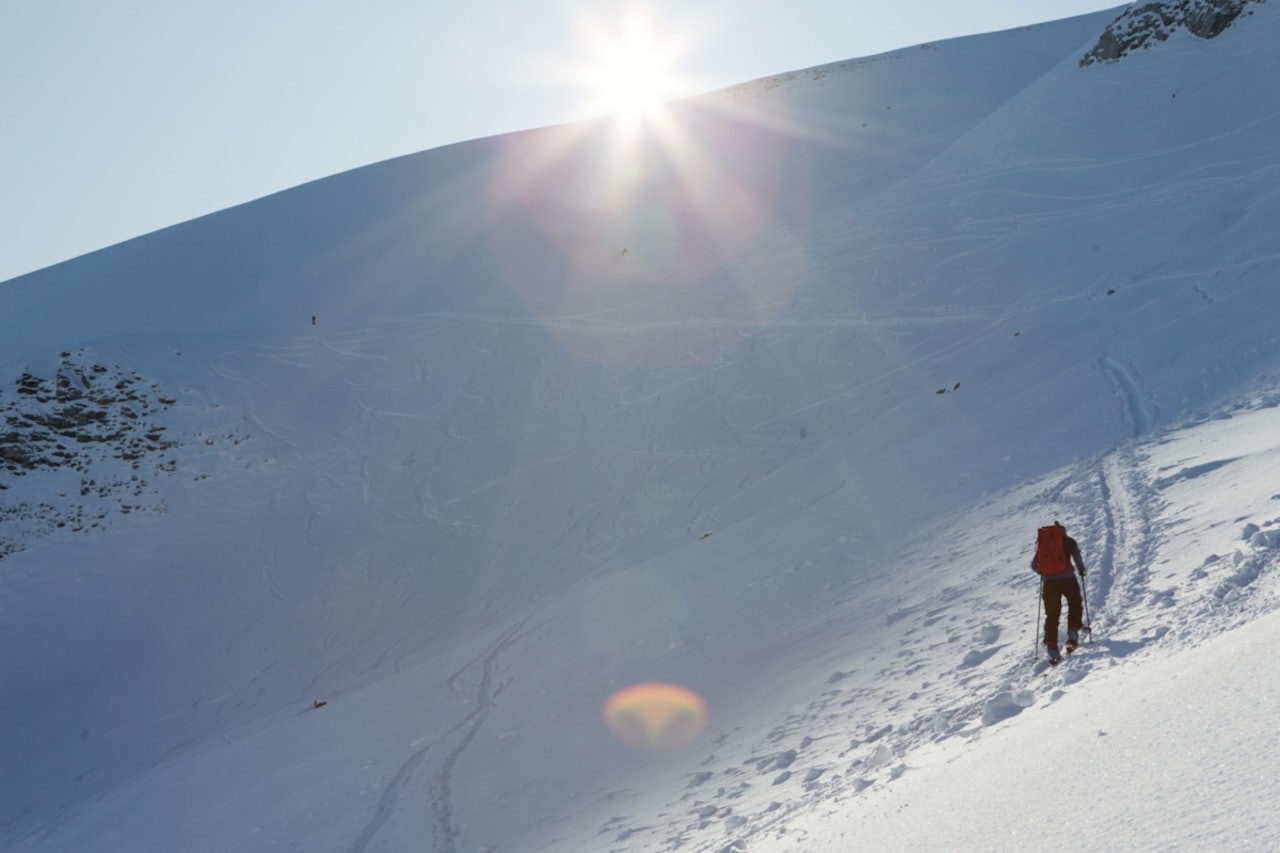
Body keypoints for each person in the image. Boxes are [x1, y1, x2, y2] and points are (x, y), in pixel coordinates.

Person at [1031, 521, 1088, 663]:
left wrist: (1043, 573)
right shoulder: (1069, 541)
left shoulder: (1043, 544)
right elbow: (1078, 559)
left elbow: (1033, 565)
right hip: (1068, 579)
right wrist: (1082, 570)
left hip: (1049, 583)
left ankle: (1052, 647)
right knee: (1075, 604)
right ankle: (1073, 632)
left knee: (1052, 614)